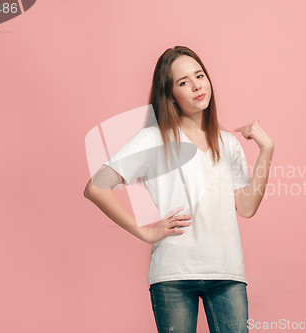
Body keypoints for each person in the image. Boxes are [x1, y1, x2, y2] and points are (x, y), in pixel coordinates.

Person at [83, 46, 274, 333]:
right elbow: (95, 187)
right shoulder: (152, 139)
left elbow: (246, 208)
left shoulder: (228, 144)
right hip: (173, 273)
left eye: (199, 75)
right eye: (184, 81)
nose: (197, 85)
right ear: (170, 93)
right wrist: (145, 232)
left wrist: (266, 150)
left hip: (226, 270)